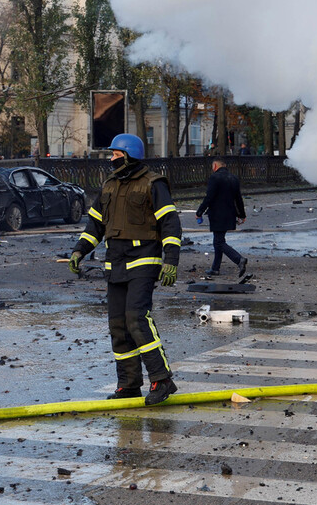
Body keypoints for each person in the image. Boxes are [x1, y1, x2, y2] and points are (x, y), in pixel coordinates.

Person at [68, 134, 181, 405]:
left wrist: (171, 260)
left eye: (115, 154)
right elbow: (95, 224)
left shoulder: (153, 184)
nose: (111, 159)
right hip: (115, 261)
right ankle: (129, 384)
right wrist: (79, 250)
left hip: (143, 259)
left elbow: (170, 222)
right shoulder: (109, 185)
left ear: (128, 155)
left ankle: (162, 378)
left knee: (136, 318)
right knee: (118, 325)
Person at [196, 159, 247, 277]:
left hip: (217, 214)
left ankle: (239, 259)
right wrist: (242, 215)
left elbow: (209, 197)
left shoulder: (215, 178)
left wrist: (199, 212)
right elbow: (238, 198)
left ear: (215, 166)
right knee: (218, 240)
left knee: (219, 242)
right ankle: (215, 268)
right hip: (230, 214)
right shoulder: (233, 178)